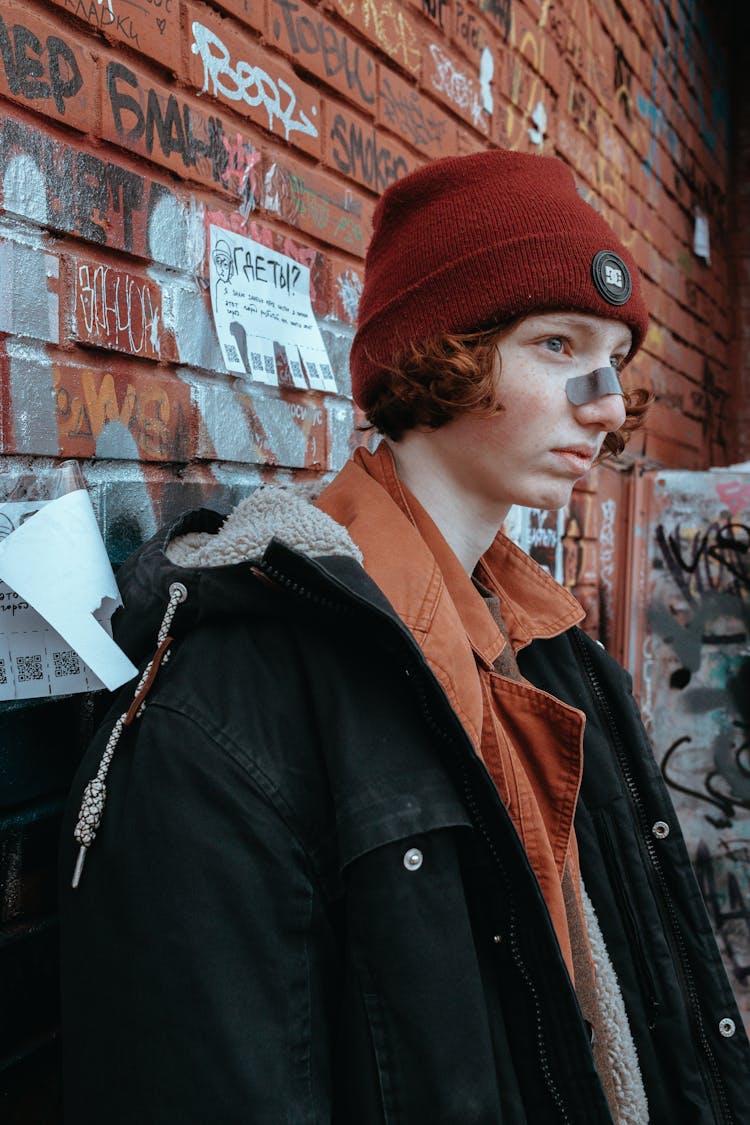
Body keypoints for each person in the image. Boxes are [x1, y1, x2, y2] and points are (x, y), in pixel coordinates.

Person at [60, 150, 750, 1123]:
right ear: (441, 352)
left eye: (615, 362)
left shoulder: (561, 659)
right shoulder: (233, 701)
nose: (606, 403)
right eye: (557, 345)